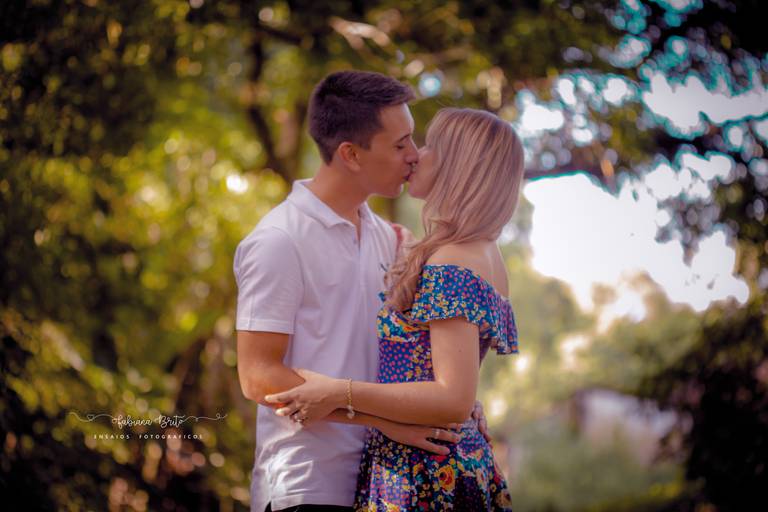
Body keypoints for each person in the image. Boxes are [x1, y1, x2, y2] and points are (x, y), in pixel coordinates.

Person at [234, 72, 490, 512]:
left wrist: (452, 402)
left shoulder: (388, 238)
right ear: (351, 154)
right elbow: (258, 376)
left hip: (384, 482)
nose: (414, 155)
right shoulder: (280, 240)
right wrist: (383, 420)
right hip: (308, 484)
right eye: (400, 144)